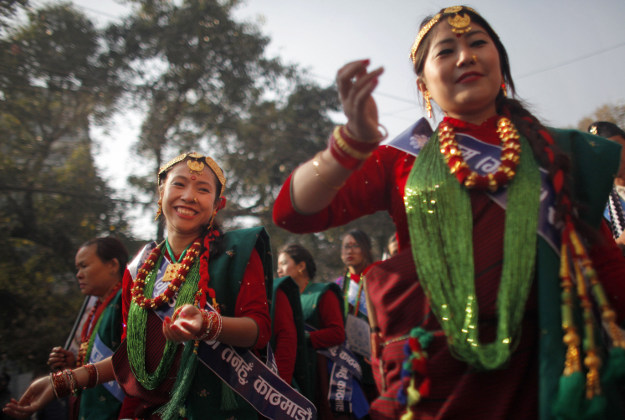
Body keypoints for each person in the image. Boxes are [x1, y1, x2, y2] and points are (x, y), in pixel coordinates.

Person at [273, 6, 625, 420]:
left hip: (539, 373)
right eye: (445, 51)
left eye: (478, 43)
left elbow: (602, 267)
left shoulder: (556, 155)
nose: (465, 56)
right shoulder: (403, 159)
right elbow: (293, 213)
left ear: (502, 68)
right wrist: (349, 143)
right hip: (429, 379)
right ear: (424, 84)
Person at [4, 152, 285, 420]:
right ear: (161, 192)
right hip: (148, 410)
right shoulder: (139, 271)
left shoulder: (236, 253)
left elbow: (258, 331)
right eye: (179, 184)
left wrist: (208, 324)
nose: (189, 196)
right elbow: (134, 357)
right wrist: (62, 382)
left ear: (217, 205)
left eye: (203, 189)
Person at [277, 243, 367, 419]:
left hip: (325, 370)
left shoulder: (323, 293)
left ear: (301, 266)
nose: (279, 270)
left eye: (283, 263)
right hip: (299, 368)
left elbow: (337, 333)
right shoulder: (284, 298)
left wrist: (304, 338)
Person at [46, 236, 128, 420]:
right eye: (78, 268)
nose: (79, 274)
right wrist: (74, 365)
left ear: (112, 265)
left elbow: (131, 360)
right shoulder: (99, 306)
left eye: (84, 266)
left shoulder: (126, 300)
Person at [335, 230, 377, 405]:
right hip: (348, 356)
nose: (349, 251)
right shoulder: (338, 285)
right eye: (346, 247)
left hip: (374, 352)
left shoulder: (376, 276)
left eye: (355, 246)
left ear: (366, 249)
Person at [588, 121, 625, 249]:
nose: (611, 155)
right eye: (602, 151)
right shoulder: (601, 204)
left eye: (615, 146)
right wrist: (620, 244)